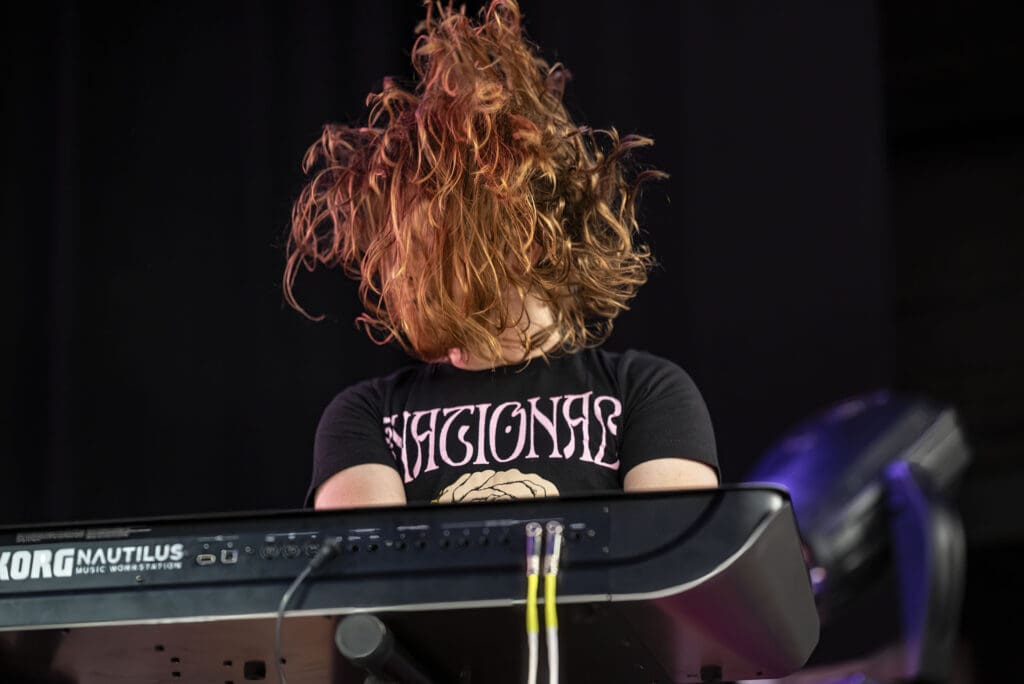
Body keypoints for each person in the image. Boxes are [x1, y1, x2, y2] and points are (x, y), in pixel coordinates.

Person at [284, 0, 718, 510]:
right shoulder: (366, 415)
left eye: (430, 242)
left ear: (527, 239)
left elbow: (671, 555)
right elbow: (373, 561)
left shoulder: (646, 391)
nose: (402, 269)